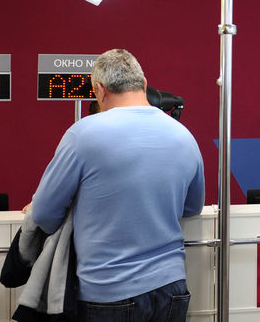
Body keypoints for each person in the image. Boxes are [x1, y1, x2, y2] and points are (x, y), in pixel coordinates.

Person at [28, 48, 205, 322]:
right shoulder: (183, 135)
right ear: (144, 85)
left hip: (108, 290)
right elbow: (192, 207)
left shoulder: (83, 134)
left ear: (99, 90)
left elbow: (42, 214)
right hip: (172, 286)